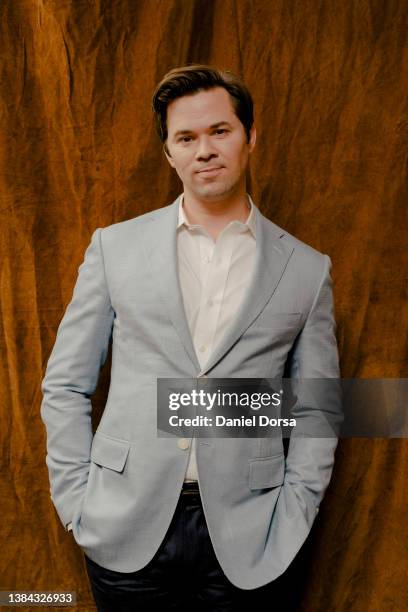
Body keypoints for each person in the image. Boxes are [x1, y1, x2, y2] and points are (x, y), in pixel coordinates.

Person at [40, 64, 341, 611]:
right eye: (186, 137)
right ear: (169, 154)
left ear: (251, 137)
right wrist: (77, 502)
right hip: (123, 525)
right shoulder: (114, 248)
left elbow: (317, 408)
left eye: (220, 131)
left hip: (252, 537)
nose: (204, 149)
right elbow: (65, 385)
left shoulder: (308, 269)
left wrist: (295, 509)